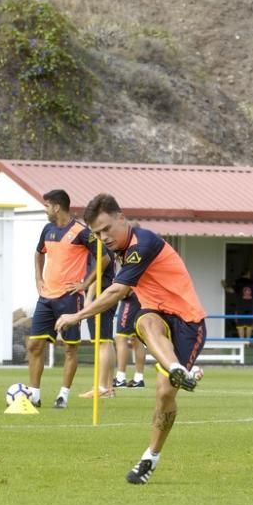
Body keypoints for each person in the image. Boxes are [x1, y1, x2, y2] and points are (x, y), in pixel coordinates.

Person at [55, 193, 206, 485]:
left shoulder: (143, 244)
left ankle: (152, 453)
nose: (103, 237)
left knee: (164, 395)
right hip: (156, 314)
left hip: (188, 321)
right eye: (97, 234)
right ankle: (177, 369)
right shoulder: (115, 249)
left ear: (121, 219)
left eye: (107, 229)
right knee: (146, 321)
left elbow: (116, 292)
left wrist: (77, 316)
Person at [27, 189, 111, 409]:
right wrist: (38, 278)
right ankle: (34, 395)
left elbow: (105, 258)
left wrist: (85, 283)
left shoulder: (81, 232)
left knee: (69, 348)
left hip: (69, 298)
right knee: (34, 345)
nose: (45, 209)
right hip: (46, 297)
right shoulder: (47, 229)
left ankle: (63, 395)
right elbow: (38, 253)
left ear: (56, 207)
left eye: (47, 205)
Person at [78, 251, 117, 399]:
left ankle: (100, 387)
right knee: (107, 341)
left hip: (99, 295)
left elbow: (97, 272)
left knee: (102, 342)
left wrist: (88, 298)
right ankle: (108, 388)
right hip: (108, 295)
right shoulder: (108, 245)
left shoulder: (99, 246)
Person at [113, 290, 147, 389]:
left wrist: (125, 292)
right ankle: (138, 378)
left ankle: (120, 378)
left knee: (121, 337)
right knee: (137, 338)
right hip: (142, 297)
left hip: (131, 298)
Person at [222, 268, 253, 338]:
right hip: (250, 307)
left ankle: (242, 342)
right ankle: (247, 342)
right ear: (248, 274)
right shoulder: (252, 283)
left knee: (240, 325)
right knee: (249, 325)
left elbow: (230, 290)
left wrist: (224, 285)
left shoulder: (238, 282)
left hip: (240, 307)